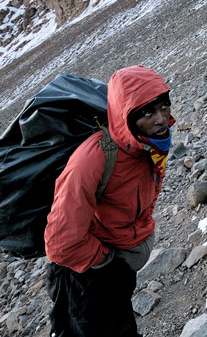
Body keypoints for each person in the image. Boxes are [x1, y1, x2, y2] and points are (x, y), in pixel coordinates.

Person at [44, 65, 174, 337]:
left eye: (164, 106)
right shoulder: (92, 160)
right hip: (86, 275)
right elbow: (60, 242)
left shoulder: (147, 146)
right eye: (148, 112)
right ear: (126, 117)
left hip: (116, 268)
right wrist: (107, 261)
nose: (162, 119)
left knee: (123, 325)